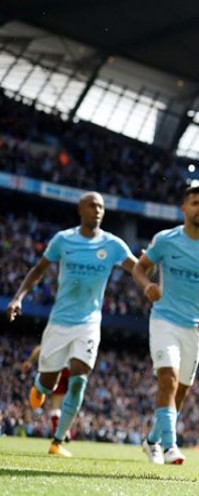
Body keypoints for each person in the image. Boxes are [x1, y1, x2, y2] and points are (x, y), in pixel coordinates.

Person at [6, 191, 136, 457]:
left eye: (101, 206)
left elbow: (138, 268)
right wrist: (18, 297)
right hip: (59, 322)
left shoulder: (113, 245)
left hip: (89, 323)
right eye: (92, 205)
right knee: (48, 383)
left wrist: (151, 262)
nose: (97, 210)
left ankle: (58, 441)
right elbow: (38, 270)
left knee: (78, 380)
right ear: (80, 209)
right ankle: (39, 386)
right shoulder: (63, 240)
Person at [131, 184, 199, 465]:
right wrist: (147, 285)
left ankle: (152, 440)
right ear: (183, 209)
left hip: (195, 328)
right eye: (195, 203)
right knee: (168, 378)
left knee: (180, 392)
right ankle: (170, 447)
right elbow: (139, 268)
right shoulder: (166, 240)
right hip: (164, 320)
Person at [21, 345, 71, 440]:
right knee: (68, 403)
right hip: (70, 370)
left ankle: (59, 433)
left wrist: (29, 361)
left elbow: (40, 349)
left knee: (56, 405)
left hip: (58, 369)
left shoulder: (56, 338)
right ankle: (63, 430)